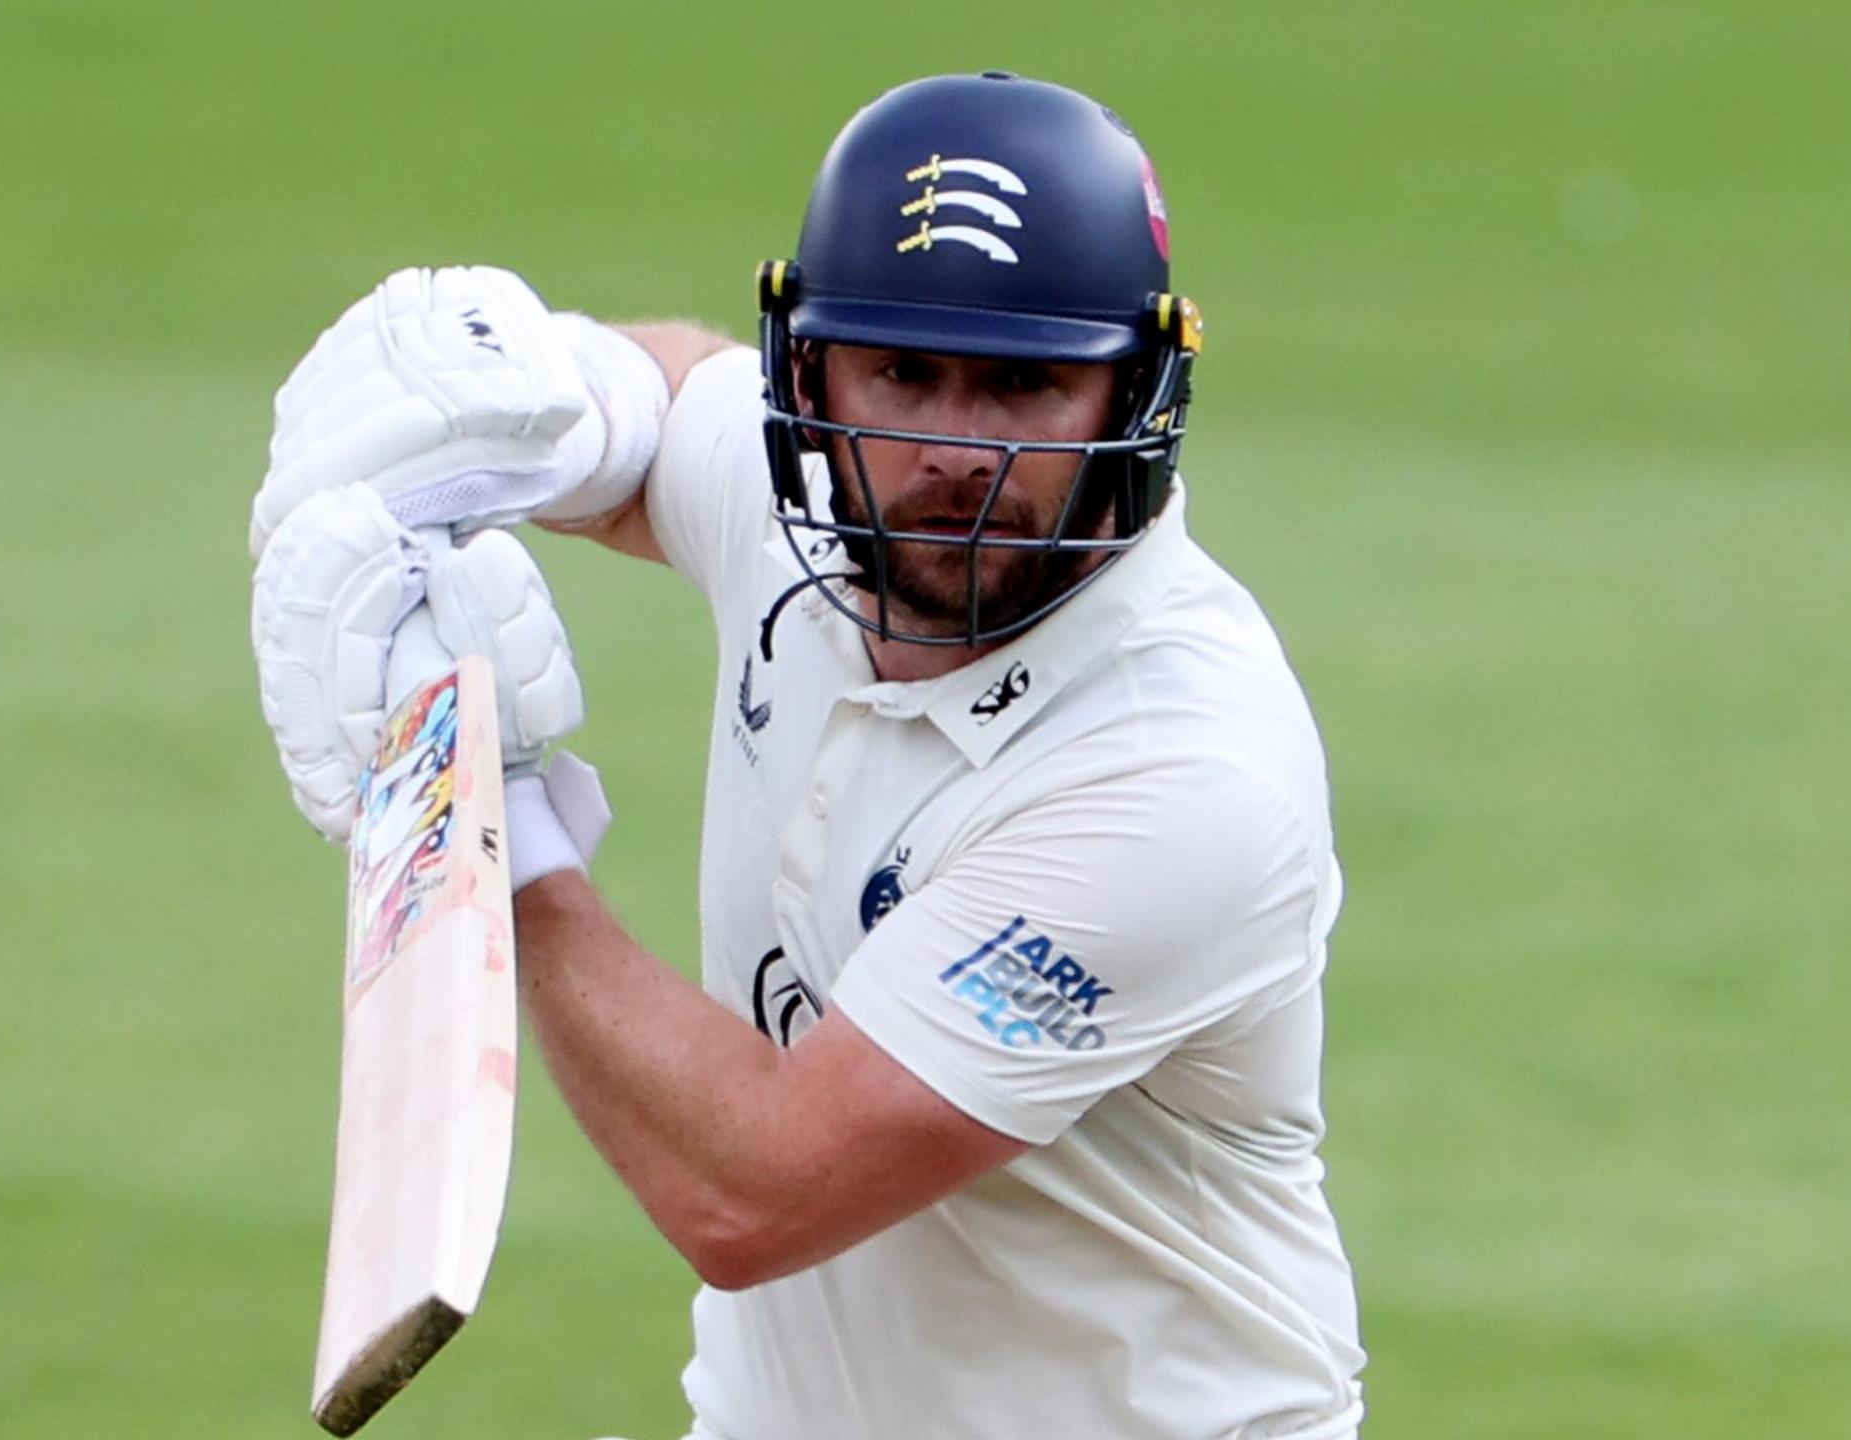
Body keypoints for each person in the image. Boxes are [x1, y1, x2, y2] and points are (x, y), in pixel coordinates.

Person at [249, 71, 1365, 1440]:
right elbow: (672, 395)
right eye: (902, 371)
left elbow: (758, 1190)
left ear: (1135, 395)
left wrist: (485, 821)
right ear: (811, 371)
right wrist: (552, 393)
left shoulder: (1179, 777)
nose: (952, 451)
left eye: (1025, 386)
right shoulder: (819, 526)